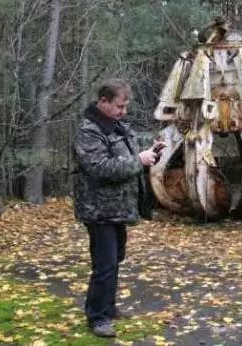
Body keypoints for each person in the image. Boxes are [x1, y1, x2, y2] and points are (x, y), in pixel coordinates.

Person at [73, 79, 164, 337]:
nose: (124, 111)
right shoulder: (89, 131)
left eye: (125, 106)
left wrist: (150, 153)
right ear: (103, 102)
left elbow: (127, 159)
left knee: (115, 260)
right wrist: (138, 160)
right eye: (119, 106)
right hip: (99, 209)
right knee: (105, 264)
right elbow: (101, 167)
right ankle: (97, 317)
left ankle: (108, 308)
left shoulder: (119, 127)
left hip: (118, 208)